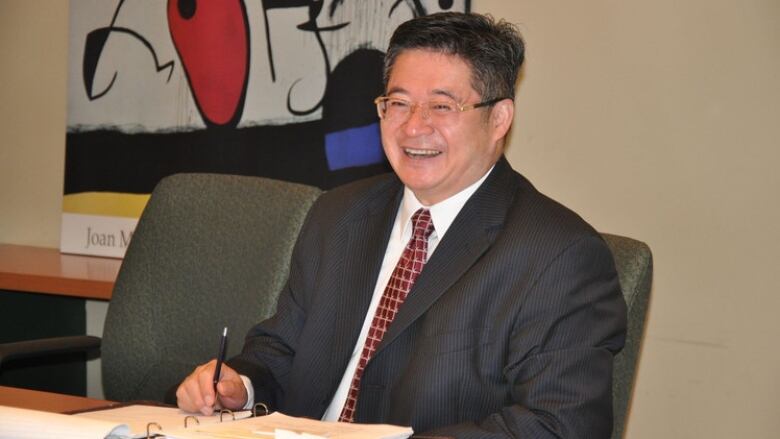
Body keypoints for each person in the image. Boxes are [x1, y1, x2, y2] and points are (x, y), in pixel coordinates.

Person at [176, 12, 627, 438]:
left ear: (499, 119)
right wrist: (240, 385)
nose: (414, 127)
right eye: (398, 103)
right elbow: (280, 352)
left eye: (442, 106)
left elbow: (558, 426)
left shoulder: (560, 256)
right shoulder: (339, 214)